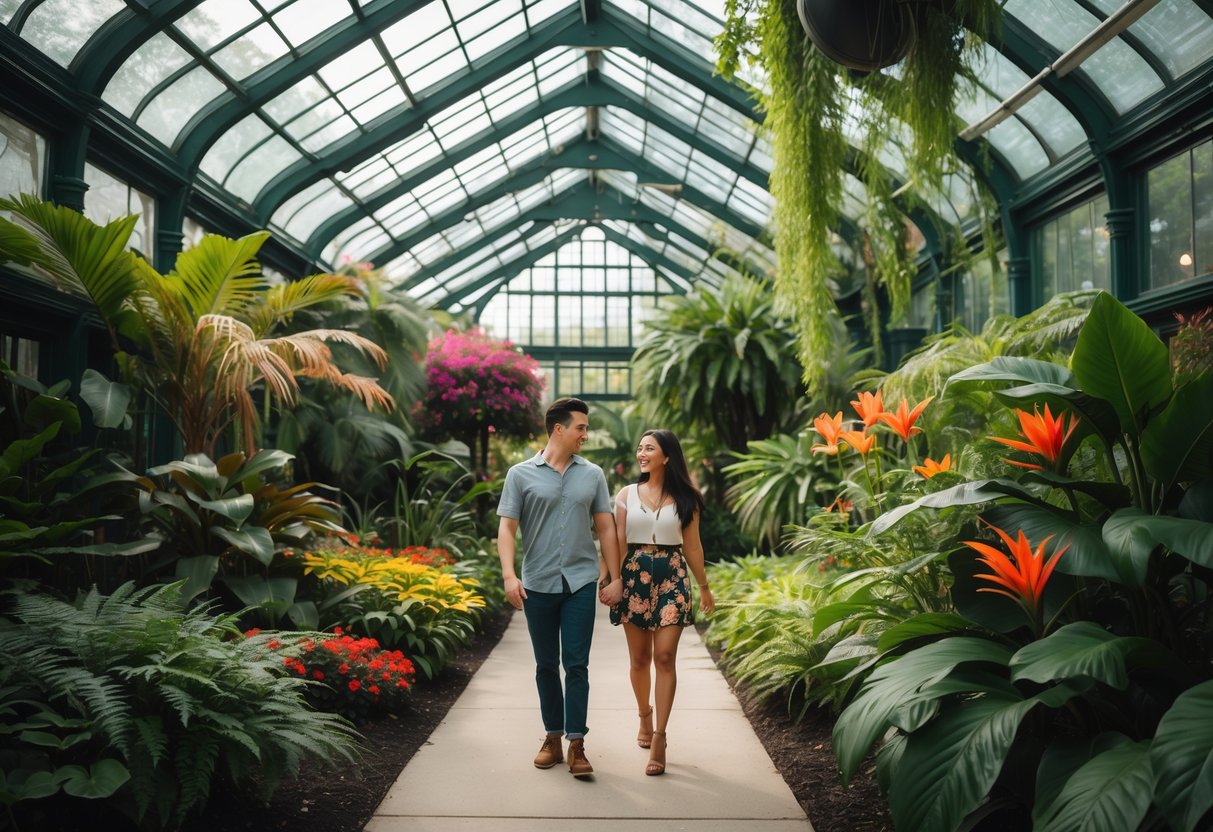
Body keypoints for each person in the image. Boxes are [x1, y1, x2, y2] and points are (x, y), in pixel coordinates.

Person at [497, 397, 623, 778]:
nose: (586, 434)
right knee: (546, 665)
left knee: (577, 664)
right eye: (581, 427)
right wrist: (508, 575)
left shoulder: (593, 474)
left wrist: (614, 578)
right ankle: (552, 736)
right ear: (559, 429)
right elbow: (506, 528)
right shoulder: (520, 474)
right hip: (538, 582)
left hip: (581, 582)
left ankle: (576, 742)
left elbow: (606, 528)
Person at [606, 428, 714, 776]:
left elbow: (693, 546)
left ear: (667, 456)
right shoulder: (625, 494)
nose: (641, 453)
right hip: (635, 574)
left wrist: (704, 586)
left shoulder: (688, 499)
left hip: (672, 576)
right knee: (640, 659)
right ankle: (644, 716)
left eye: (649, 448)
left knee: (665, 657)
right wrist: (616, 579)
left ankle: (660, 738)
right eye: (639, 448)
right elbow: (619, 540)